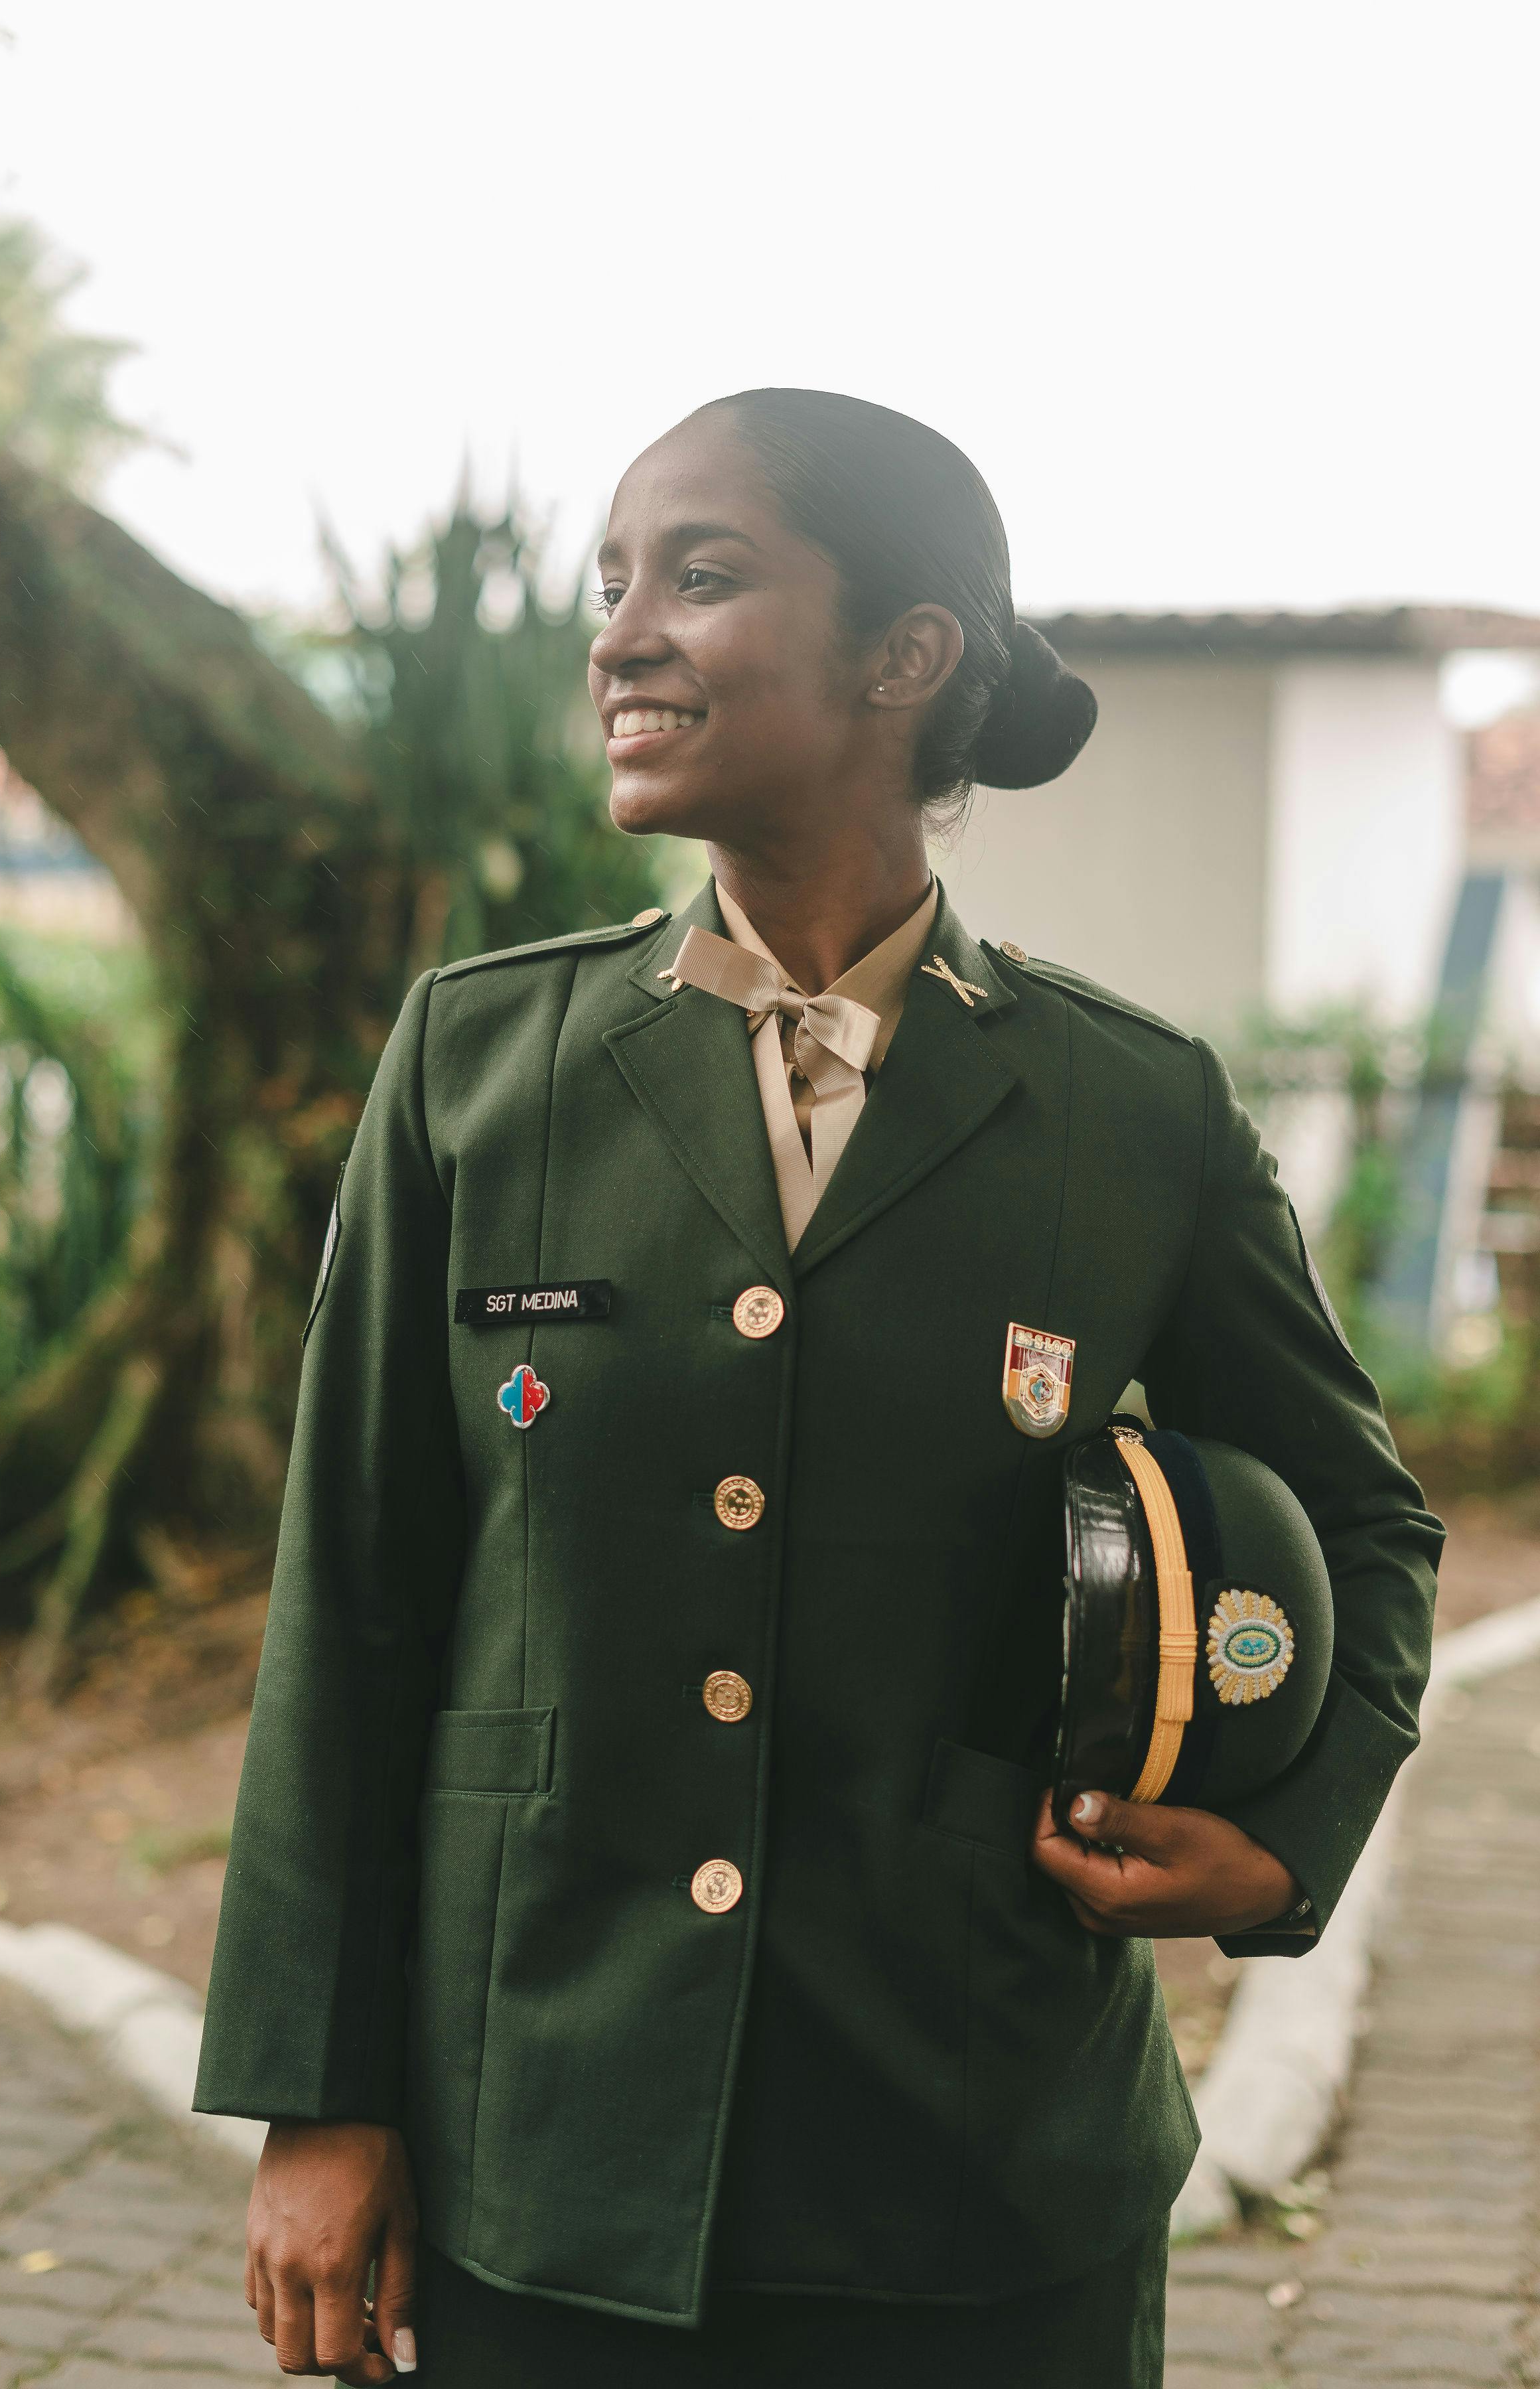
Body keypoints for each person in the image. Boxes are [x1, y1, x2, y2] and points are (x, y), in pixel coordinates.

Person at [194, 389, 1442, 2388]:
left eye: (701, 577)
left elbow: (1368, 1517)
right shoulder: (476, 1065)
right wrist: (314, 2095)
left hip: (977, 2174)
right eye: (612, 585)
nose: (619, 635)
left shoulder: (1127, 1111)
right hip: (544, 2160)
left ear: (906, 655)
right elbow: (352, 1598)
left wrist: (1289, 1836)